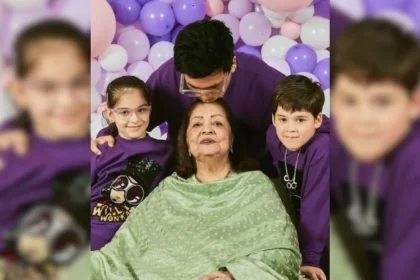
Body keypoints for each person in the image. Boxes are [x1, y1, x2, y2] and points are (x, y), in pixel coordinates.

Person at [90, 99, 302, 280]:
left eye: (217, 123)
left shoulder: (255, 185)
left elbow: (283, 252)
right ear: (187, 142)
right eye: (197, 124)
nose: (207, 129)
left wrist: (235, 274)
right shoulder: (170, 189)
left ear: (232, 139)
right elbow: (124, 247)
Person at [90, 19, 283, 161]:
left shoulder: (264, 82)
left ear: (232, 64)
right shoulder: (167, 77)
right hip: (182, 170)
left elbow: (296, 129)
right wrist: (107, 137)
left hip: (251, 172)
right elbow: (135, 118)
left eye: (215, 87)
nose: (205, 97)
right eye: (193, 88)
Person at [330, 19, 420, 280]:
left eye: (382, 102)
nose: (363, 119)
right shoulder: (339, 142)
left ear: (414, 104)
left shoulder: (414, 166)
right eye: (349, 100)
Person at [0, 20, 91, 278]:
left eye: (79, 83)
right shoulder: (12, 155)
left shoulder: (105, 145)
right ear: (20, 91)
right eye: (47, 87)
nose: (67, 100)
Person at [90, 76, 173, 250]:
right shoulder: (101, 149)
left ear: (150, 109)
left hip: (137, 244)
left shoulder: (167, 151)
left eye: (141, 110)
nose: (135, 119)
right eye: (125, 112)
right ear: (110, 114)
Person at [263, 75, 329, 280]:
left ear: (317, 120)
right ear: (274, 118)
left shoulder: (323, 148)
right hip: (297, 225)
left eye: (300, 120)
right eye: (283, 119)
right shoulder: (273, 136)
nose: (290, 129)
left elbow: (316, 205)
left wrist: (309, 259)